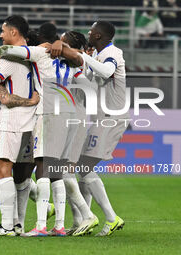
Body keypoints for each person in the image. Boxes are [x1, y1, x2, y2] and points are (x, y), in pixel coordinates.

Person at [0, 23, 98, 237]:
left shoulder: (40, 52)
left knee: (43, 168)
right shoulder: (73, 62)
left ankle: (42, 226)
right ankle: (60, 225)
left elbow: (10, 49)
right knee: (57, 171)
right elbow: (89, 86)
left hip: (48, 114)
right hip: (69, 115)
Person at [55, 21, 127, 237]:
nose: (89, 32)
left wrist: (83, 57)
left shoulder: (112, 53)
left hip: (112, 117)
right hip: (100, 118)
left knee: (84, 167)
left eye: (92, 29)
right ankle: (83, 221)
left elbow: (106, 72)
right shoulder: (97, 55)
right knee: (82, 167)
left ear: (98, 35)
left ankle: (111, 218)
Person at [0, 15, 38, 236]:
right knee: (22, 175)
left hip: (11, 118)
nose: (1, 36)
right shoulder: (34, 57)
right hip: (31, 120)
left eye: (3, 32)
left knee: (2, 167)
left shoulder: (8, 59)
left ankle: (5, 226)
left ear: (13, 32)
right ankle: (17, 223)